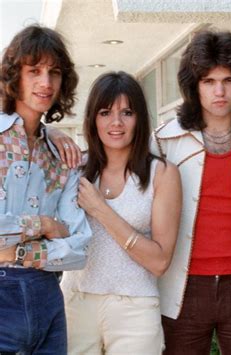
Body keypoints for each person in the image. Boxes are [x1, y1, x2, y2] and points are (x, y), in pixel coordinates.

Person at [152, 30, 231, 354]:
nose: (220, 91)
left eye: (229, 80)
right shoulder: (164, 142)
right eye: (209, 81)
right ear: (194, 87)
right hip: (181, 288)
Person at [60, 71, 182, 354]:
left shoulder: (162, 173)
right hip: (75, 301)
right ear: (92, 119)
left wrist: (100, 210)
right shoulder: (74, 169)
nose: (116, 122)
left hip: (135, 308)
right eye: (105, 112)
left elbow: (160, 261)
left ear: (139, 118)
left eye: (127, 112)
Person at [0, 25, 92, 354]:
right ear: (15, 76)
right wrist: (45, 225)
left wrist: (20, 252)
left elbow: (79, 247)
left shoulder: (61, 155)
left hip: (48, 298)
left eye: (54, 72)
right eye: (34, 71)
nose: (46, 83)